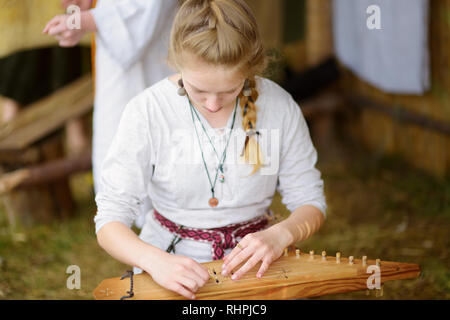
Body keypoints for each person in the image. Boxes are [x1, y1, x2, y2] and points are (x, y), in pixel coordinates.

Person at [94, 0, 327, 300]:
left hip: (255, 265)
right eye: (199, 91)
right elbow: (110, 219)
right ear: (176, 63)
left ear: (250, 69)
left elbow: (310, 201)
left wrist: (280, 235)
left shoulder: (279, 107)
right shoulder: (148, 111)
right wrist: (155, 262)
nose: (213, 105)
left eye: (229, 91)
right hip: (171, 266)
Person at [43, 0, 179, 227]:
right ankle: (125, 214)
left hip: (154, 45)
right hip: (117, 45)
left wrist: (87, 20)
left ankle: (164, 216)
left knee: (155, 123)